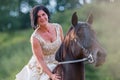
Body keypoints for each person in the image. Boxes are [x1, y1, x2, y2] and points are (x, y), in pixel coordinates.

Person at [15, 5, 64, 80]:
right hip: (43, 65)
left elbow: (64, 47)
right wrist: (51, 75)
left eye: (43, 14)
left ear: (47, 14)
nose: (42, 18)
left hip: (59, 60)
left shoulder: (58, 27)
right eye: (38, 17)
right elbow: (40, 60)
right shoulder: (35, 38)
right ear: (35, 20)